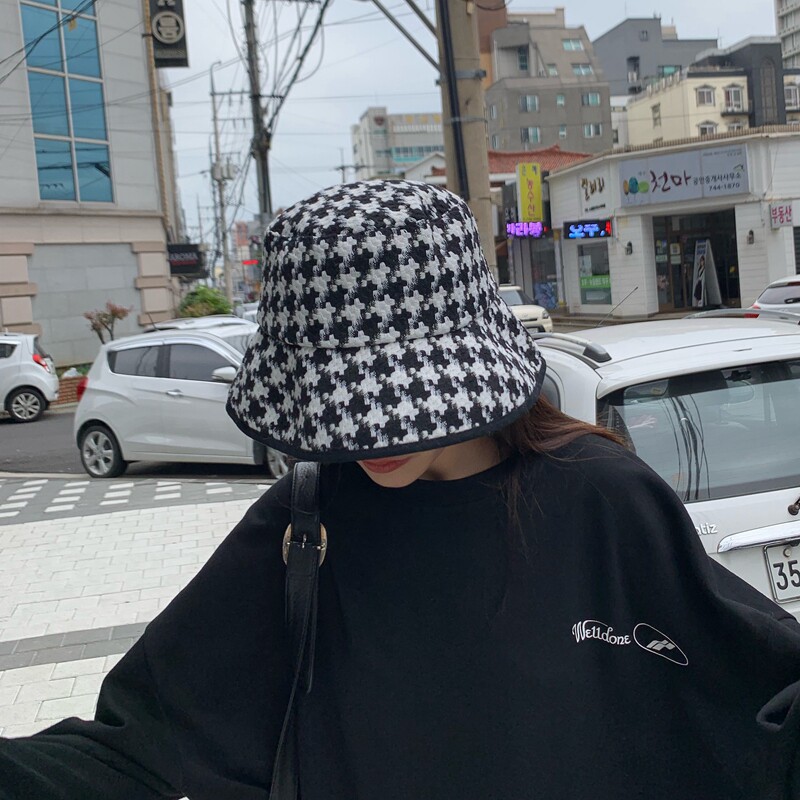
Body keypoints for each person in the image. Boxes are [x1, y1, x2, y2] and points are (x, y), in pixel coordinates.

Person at [2, 179, 800, 799]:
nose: (366, 440)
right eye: (338, 407)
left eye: (392, 407)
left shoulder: (600, 500)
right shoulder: (306, 524)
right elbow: (136, 747)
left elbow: (758, 704)